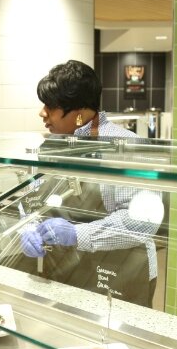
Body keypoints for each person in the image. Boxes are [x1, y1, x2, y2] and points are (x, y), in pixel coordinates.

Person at [17, 60, 163, 308]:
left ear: (80, 114)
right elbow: (33, 198)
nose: (43, 113)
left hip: (119, 273)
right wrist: (27, 228)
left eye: (51, 106)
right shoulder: (54, 145)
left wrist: (76, 234)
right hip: (67, 271)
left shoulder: (127, 146)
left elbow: (142, 222)